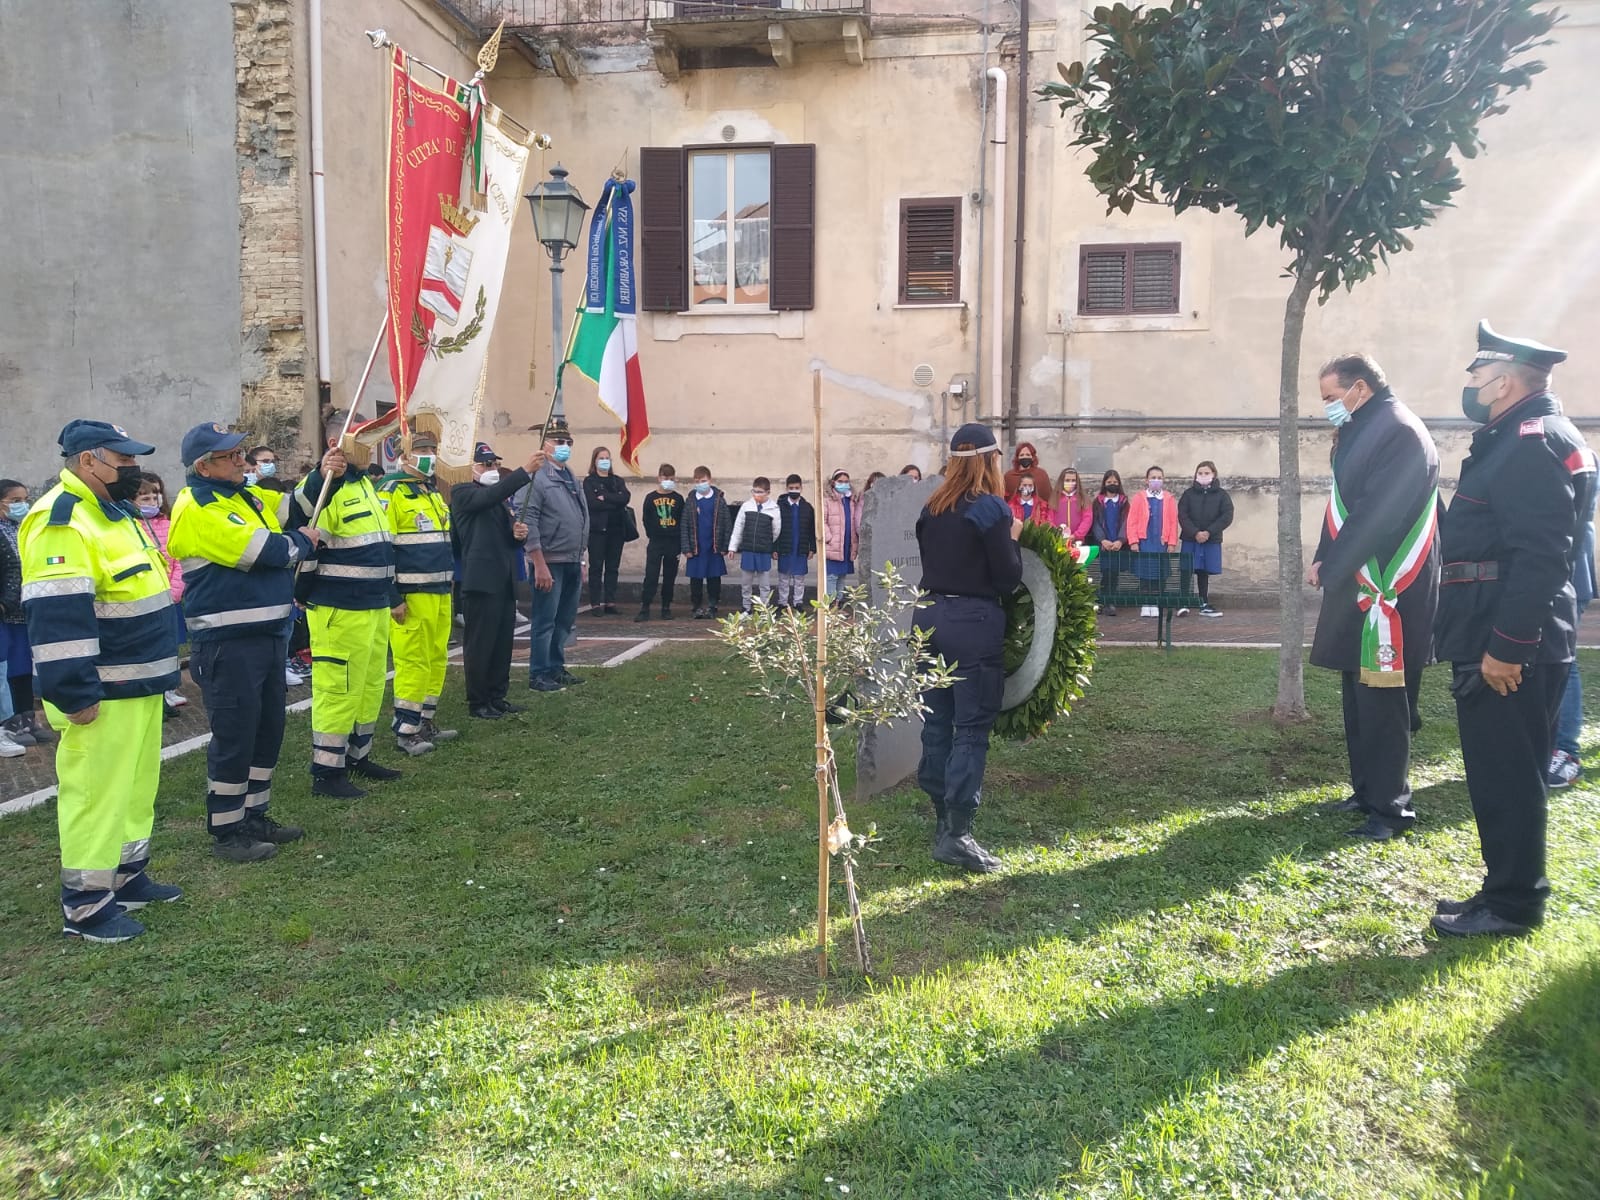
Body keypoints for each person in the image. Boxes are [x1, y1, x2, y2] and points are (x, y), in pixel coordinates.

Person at [1431, 322, 1595, 938]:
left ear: (1502, 381)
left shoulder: (1530, 441)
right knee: (1503, 772)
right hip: (1496, 629)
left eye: (1477, 375)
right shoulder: (1520, 436)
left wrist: (1507, 647)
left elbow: (1543, 554)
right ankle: (1504, 891)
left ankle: (1513, 904)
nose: (1470, 386)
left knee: (1508, 777)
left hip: (1506, 640)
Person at [20, 420, 182, 942]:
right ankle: (86, 906)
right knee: (95, 796)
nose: (133, 470)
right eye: (124, 460)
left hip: (140, 681)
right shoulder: (62, 521)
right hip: (102, 692)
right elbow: (58, 617)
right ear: (88, 460)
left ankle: (127, 877)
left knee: (134, 791)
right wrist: (73, 693)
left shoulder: (114, 513)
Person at [168, 422, 320, 862]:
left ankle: (255, 814)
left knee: (266, 730)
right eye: (231, 456)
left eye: (242, 453)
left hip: (268, 636)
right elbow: (268, 552)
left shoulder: (245, 497)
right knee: (235, 736)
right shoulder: (197, 504)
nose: (243, 462)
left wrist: (331, 468)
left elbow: (297, 507)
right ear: (204, 465)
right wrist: (301, 543)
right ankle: (227, 828)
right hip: (228, 642)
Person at [1306, 352, 1440, 843]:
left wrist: (1336, 565)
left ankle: (1391, 808)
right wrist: (1325, 558)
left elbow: (1380, 514)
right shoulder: (1365, 428)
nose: (1327, 408)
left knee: (1384, 703)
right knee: (1358, 697)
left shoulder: (1399, 430)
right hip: (1359, 585)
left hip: (1389, 589)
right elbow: (1342, 505)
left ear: (1359, 388)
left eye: (1330, 397)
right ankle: (1366, 791)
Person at [914, 422, 1024, 873]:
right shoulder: (992, 510)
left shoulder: (932, 508)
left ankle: (943, 821)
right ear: (989, 460)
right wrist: (1013, 539)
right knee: (971, 729)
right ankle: (957, 835)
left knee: (937, 723)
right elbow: (1007, 579)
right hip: (971, 623)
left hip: (928, 618)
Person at [289, 436, 402, 799]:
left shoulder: (366, 483)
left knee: (368, 687)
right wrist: (323, 476)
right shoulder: (326, 485)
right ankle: (327, 771)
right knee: (338, 690)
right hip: (338, 608)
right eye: (363, 443)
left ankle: (358, 754)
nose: (370, 450)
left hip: (372, 604)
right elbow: (299, 514)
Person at [377, 430, 457, 756]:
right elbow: (381, 549)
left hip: (438, 590)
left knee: (436, 657)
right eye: (422, 448)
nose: (430, 454)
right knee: (412, 660)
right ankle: (406, 730)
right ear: (403, 455)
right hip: (410, 593)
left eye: (432, 448)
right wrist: (391, 595)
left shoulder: (429, 491)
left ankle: (425, 720)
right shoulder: (391, 491)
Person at [450, 441, 538, 720]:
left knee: (501, 643)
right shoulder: (463, 492)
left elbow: (503, 536)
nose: (492, 469)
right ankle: (478, 700)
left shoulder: (497, 500)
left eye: (495, 464)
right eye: (486, 464)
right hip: (480, 581)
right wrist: (524, 471)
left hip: (503, 579)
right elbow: (487, 499)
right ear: (470, 468)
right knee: (480, 644)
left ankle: (497, 695)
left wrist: (516, 535)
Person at [520, 417, 590, 693]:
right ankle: (539, 673)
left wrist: (583, 558)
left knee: (564, 620)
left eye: (568, 442)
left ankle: (555, 667)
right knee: (545, 621)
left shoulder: (569, 475)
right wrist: (538, 562)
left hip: (572, 559)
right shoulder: (536, 478)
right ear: (544, 445)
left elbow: (582, 519)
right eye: (559, 442)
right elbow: (528, 520)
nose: (565, 447)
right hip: (549, 561)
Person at [0, 478, 49, 749]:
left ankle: (27, 718)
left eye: (25, 499)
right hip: (6, 612)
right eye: (15, 501)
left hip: (25, 610)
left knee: (22, 669)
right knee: (6, 669)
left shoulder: (22, 529)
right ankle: (10, 723)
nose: (23, 505)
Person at [1549, 509, 1597, 788]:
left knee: (1564, 661)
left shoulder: (1575, 463)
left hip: (1563, 573)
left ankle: (1566, 753)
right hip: (1557, 572)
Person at [135, 472, 189, 713]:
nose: (152, 502)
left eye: (154, 497)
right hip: (146, 599)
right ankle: (152, 691)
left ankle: (168, 687)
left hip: (171, 596)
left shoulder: (169, 524)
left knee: (169, 644)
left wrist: (175, 590)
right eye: (144, 498)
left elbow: (178, 559)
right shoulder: (131, 526)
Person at [1177, 461, 1234, 618]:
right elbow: (1182, 514)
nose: (1203, 476)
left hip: (1210, 539)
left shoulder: (1222, 495)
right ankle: (1183, 603)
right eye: (1200, 473)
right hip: (1190, 538)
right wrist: (1195, 532)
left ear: (1214, 474)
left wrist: (1209, 532)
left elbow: (1227, 516)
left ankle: (1203, 603)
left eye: (1206, 473)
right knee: (1186, 570)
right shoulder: (1188, 494)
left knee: (1203, 571)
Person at [1127, 466, 1180, 618]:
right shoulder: (1139, 497)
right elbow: (1132, 521)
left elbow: (1172, 522)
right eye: (1153, 477)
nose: (1156, 480)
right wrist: (1133, 541)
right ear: (1147, 480)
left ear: (1163, 480)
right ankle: (1146, 603)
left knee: (1159, 574)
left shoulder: (1168, 498)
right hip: (1145, 541)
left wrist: (1171, 542)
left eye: (1159, 477)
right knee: (1145, 574)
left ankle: (1156, 603)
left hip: (1161, 542)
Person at [583, 446, 630, 616]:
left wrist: (607, 497)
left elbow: (624, 498)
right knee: (596, 567)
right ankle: (595, 603)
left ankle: (610, 601)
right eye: (601, 458)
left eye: (607, 458)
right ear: (595, 461)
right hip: (597, 531)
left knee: (612, 567)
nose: (604, 461)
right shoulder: (589, 481)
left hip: (616, 530)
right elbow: (592, 503)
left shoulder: (617, 480)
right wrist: (613, 501)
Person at [682, 466, 732, 618]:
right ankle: (696, 606)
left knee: (713, 578)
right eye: (697, 481)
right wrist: (686, 548)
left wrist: (725, 545)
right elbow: (684, 524)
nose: (700, 484)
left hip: (713, 547)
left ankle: (713, 605)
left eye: (703, 481)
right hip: (696, 547)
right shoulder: (691, 501)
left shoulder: (719, 500)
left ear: (710, 480)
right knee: (696, 579)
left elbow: (726, 524)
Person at [637, 464, 684, 623]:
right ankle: (645, 607)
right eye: (665, 478)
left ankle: (666, 607)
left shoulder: (678, 499)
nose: (668, 481)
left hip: (673, 542)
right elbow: (646, 519)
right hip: (656, 542)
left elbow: (681, 520)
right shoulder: (651, 498)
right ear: (659, 478)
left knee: (670, 576)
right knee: (651, 575)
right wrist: (653, 534)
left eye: (671, 478)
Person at [731, 477, 781, 612]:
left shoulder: (774, 508)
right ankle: (746, 607)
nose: (756, 495)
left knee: (764, 583)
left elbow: (776, 530)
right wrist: (732, 547)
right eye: (754, 491)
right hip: (748, 550)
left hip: (763, 551)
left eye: (760, 492)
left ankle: (764, 608)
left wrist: (768, 543)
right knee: (746, 582)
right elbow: (738, 527)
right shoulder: (746, 506)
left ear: (768, 492)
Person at [775, 473, 817, 611]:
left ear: (801, 488)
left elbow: (812, 529)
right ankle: (782, 603)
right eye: (791, 487)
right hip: (785, 547)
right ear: (787, 488)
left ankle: (798, 602)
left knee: (799, 578)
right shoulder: (779, 506)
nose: (794, 490)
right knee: (783, 578)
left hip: (800, 547)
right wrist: (774, 548)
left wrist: (812, 547)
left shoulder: (807, 508)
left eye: (797, 487)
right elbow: (775, 529)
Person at [1090, 470, 1128, 616]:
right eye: (1109, 482)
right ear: (1104, 484)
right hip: (1104, 544)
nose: (1112, 485)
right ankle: (1103, 600)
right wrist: (1103, 540)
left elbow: (1126, 522)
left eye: (1115, 482)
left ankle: (1110, 601)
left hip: (1118, 544)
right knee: (1105, 573)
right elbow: (1096, 523)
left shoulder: (1123, 502)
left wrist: (1120, 540)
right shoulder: (1098, 502)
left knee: (1114, 573)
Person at [822, 469, 862, 600]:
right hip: (834, 544)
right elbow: (822, 521)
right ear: (833, 482)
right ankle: (830, 605)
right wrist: (830, 538)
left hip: (847, 544)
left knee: (842, 576)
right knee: (832, 576)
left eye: (846, 482)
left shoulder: (851, 500)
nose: (843, 484)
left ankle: (838, 603)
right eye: (840, 481)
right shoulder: (827, 499)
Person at [1054, 468, 1093, 546]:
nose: (1070, 483)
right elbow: (1049, 519)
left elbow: (1087, 519)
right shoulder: (1054, 499)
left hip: (1078, 541)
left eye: (1073, 480)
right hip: (1057, 540)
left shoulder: (1083, 499)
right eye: (1067, 480)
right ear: (1062, 481)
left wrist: (1076, 535)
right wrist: (1057, 533)